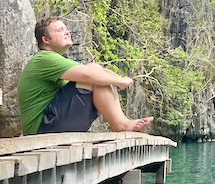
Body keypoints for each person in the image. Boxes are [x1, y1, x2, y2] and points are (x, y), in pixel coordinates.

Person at [17, 17, 153, 136]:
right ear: (45, 39)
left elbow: (99, 72)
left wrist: (118, 80)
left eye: (66, 28)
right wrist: (120, 81)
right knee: (93, 73)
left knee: (96, 73)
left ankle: (122, 123)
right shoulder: (44, 58)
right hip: (42, 128)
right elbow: (89, 73)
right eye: (60, 30)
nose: (67, 32)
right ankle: (120, 125)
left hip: (50, 124)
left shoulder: (55, 61)